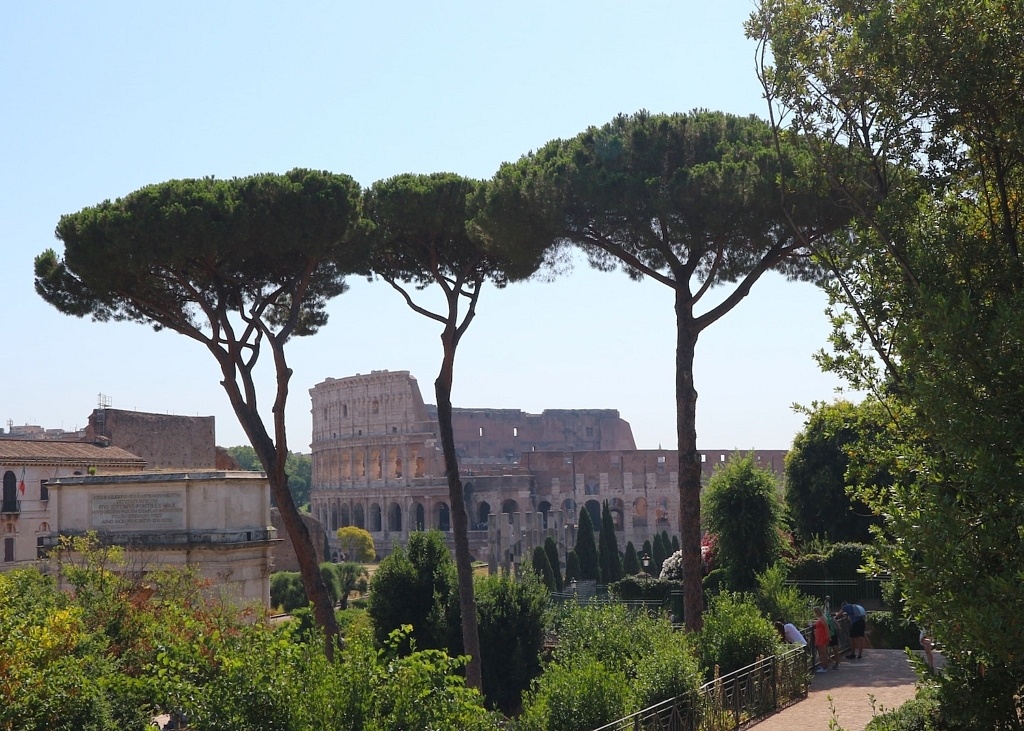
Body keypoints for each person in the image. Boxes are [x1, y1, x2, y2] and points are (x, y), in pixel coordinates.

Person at [812, 607, 831, 673]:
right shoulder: (821, 618)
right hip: (820, 636)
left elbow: (826, 627)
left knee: (822, 652)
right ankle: (824, 665)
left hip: (822, 637)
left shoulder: (822, 618)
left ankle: (824, 666)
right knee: (822, 652)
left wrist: (828, 636)